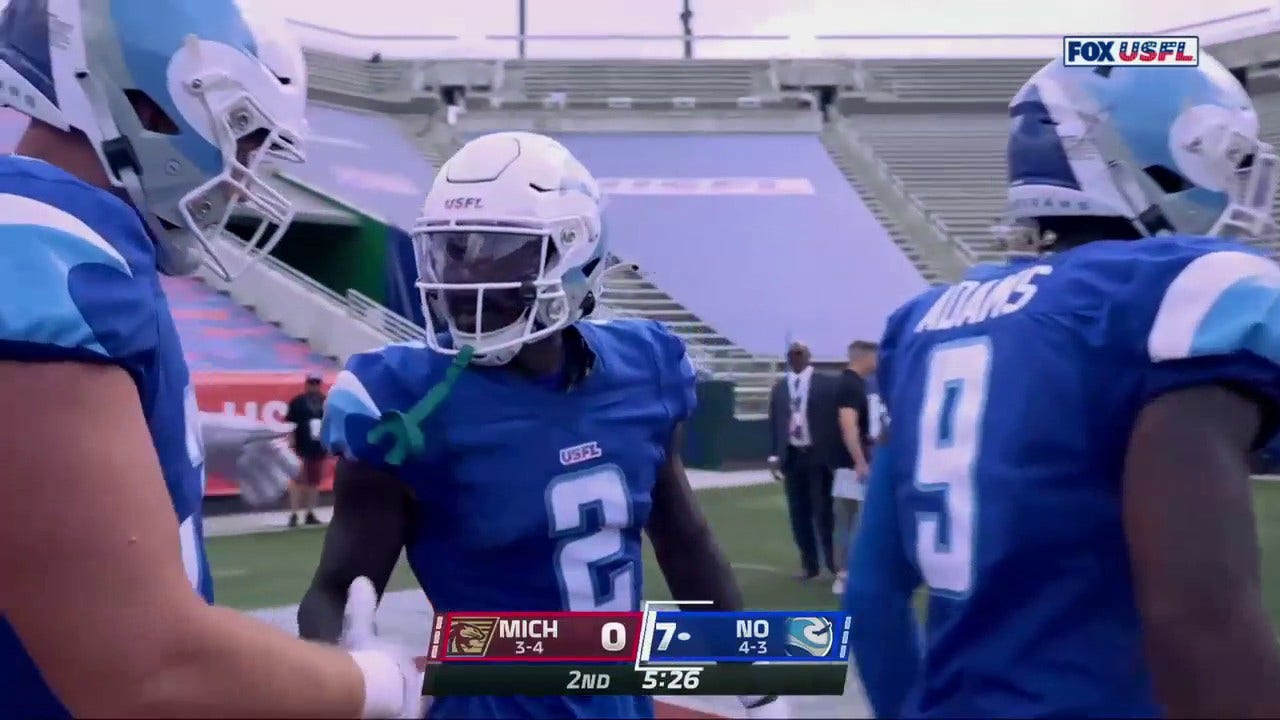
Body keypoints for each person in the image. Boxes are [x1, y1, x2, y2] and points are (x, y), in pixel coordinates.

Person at [0, 2, 422, 717]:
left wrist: (182, 444)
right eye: (247, 133)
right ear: (151, 104)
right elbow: (144, 669)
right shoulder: (40, 251)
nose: (247, 171)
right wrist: (375, 686)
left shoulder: (83, 240)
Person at [298, 131, 789, 720]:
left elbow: (682, 536)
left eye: (498, 250)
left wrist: (755, 675)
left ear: (574, 254)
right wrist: (353, 670)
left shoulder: (645, 370)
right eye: (453, 250)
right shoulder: (403, 403)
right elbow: (334, 589)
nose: (464, 279)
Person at [845, 54, 1280, 718]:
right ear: (1138, 155)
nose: (1234, 182)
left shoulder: (928, 321)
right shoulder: (1174, 294)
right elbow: (1198, 615)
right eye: (1223, 156)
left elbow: (873, 594)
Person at [767, 341, 841, 580]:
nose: (795, 358)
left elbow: (836, 420)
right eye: (791, 354)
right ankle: (809, 565)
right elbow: (775, 423)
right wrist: (774, 454)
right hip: (793, 456)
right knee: (798, 514)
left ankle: (833, 563)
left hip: (819, 456)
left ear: (808, 355)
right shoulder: (780, 388)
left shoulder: (827, 383)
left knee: (824, 512)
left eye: (799, 353)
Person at [830, 340, 877, 595]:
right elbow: (848, 426)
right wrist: (860, 461)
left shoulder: (854, 384)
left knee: (850, 520)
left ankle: (847, 572)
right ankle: (845, 573)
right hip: (851, 465)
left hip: (849, 463)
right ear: (866, 357)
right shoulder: (851, 385)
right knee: (852, 521)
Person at [286, 372, 329, 527]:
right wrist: (291, 441)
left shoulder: (325, 402)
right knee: (297, 481)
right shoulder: (297, 402)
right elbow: (290, 423)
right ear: (306, 384)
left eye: (316, 383)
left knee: (314, 481)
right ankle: (294, 513)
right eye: (311, 383)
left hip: (318, 447)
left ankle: (310, 512)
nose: (314, 386)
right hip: (301, 446)